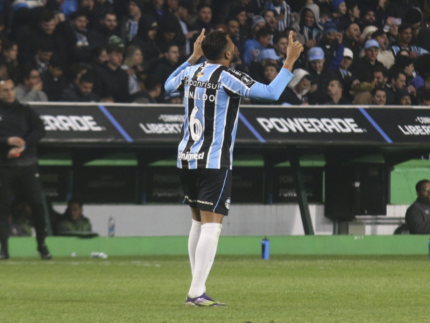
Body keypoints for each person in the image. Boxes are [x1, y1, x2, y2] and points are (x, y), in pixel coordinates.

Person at [164, 29, 303, 306]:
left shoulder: (191, 72)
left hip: (186, 158)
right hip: (214, 161)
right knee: (212, 227)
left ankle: (196, 288)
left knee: (197, 223)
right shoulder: (229, 77)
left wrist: (193, 56)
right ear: (228, 54)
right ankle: (196, 292)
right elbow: (271, 93)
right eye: (232, 47)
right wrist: (289, 62)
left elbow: (168, 85)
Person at [0, 79, 51, 260]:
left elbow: (40, 130)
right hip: (4, 167)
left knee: (37, 204)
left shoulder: (25, 111)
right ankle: (3, 249)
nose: (9, 93)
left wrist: (23, 145)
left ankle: (42, 246)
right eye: (5, 90)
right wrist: (7, 141)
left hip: (27, 164)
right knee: (3, 208)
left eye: (12, 89)